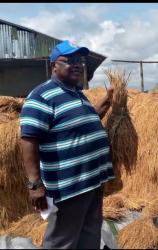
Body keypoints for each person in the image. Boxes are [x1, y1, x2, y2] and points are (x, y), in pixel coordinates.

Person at [20, 40, 115, 249]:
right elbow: (29, 140)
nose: (77, 65)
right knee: (63, 240)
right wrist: (35, 184)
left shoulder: (77, 93)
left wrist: (106, 102)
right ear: (54, 65)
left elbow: (87, 122)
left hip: (92, 180)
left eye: (79, 60)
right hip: (69, 186)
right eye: (69, 60)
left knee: (90, 232)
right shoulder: (41, 96)